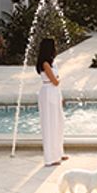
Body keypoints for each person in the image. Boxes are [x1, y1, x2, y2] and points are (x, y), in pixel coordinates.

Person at [36, 37, 67, 167]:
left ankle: (58, 152)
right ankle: (50, 157)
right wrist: (58, 79)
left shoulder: (52, 62)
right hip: (48, 92)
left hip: (54, 92)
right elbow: (55, 81)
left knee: (58, 122)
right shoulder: (45, 64)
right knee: (50, 124)